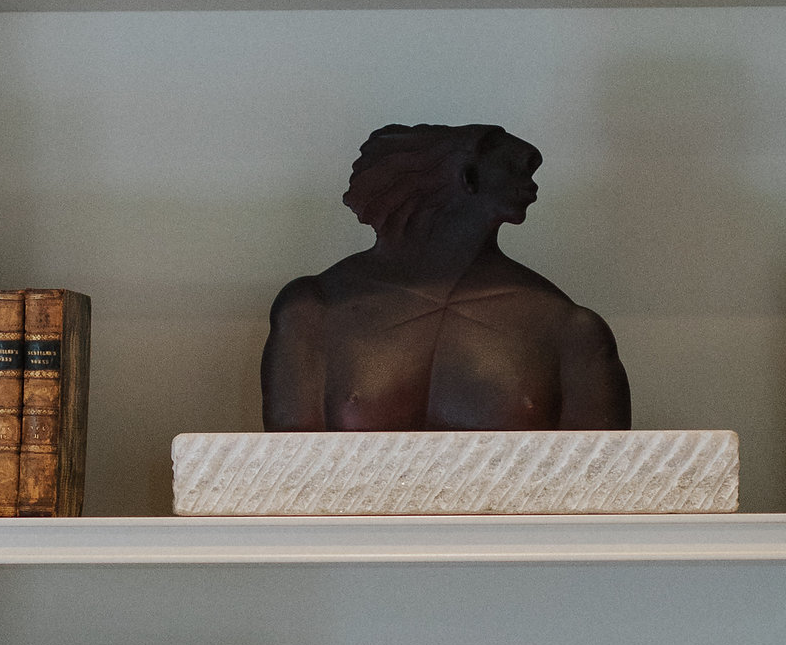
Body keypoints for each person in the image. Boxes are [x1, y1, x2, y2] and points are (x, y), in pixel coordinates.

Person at [260, 122, 631, 433]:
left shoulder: (571, 331)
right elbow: (295, 479)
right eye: (514, 168)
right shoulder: (313, 311)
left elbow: (595, 487)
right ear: (468, 177)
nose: (532, 188)